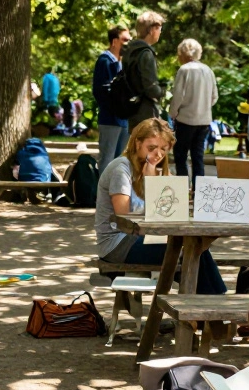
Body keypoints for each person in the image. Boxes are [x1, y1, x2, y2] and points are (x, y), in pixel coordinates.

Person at [94, 118, 226, 294]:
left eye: (163, 149)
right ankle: (208, 310)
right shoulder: (121, 169)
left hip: (141, 238)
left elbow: (169, 207)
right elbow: (123, 216)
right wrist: (151, 183)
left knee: (197, 250)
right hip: (117, 244)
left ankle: (214, 306)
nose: (157, 154)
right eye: (152, 148)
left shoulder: (151, 167)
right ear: (137, 143)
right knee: (189, 252)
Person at [167, 38, 218, 186]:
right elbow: (214, 96)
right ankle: (199, 191)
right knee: (198, 156)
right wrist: (204, 107)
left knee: (180, 156)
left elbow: (177, 97)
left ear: (183, 54)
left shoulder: (184, 70)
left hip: (186, 120)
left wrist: (173, 114)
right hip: (204, 121)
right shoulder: (208, 70)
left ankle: (182, 189)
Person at [93, 26, 132, 172]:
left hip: (123, 119)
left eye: (129, 41)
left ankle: (116, 193)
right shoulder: (105, 61)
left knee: (120, 161)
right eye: (124, 40)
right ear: (114, 42)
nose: (127, 44)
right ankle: (102, 194)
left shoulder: (123, 62)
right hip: (110, 119)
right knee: (107, 160)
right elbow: (100, 91)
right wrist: (115, 107)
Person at [124, 11, 166, 128]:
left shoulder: (130, 50)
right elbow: (150, 87)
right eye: (159, 29)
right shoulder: (146, 53)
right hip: (145, 110)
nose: (160, 32)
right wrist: (162, 91)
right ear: (152, 30)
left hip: (131, 108)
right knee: (147, 144)